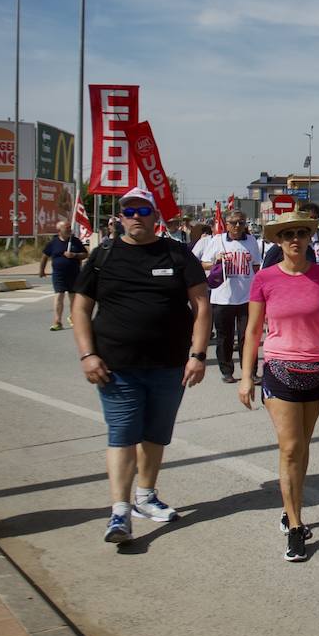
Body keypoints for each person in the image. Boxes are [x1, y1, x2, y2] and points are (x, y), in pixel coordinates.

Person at [72, 187, 211, 546]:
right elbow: (80, 308)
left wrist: (197, 355)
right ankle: (120, 511)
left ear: (155, 216)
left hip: (169, 367)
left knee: (154, 435)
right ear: (119, 216)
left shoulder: (177, 253)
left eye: (143, 210)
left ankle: (145, 497)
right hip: (116, 368)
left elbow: (201, 305)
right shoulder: (104, 255)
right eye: (128, 210)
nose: (135, 216)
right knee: (122, 435)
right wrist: (88, 355)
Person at [240, 210, 319, 562]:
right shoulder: (264, 279)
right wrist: (245, 375)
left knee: (303, 446)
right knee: (291, 447)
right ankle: (296, 527)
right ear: (278, 241)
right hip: (280, 370)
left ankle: (289, 505)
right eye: (287, 234)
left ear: (310, 237)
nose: (295, 239)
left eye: (300, 232)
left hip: (316, 370)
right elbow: (253, 331)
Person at [198, 212, 261, 382]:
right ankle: (226, 371)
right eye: (233, 223)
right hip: (222, 298)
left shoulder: (252, 241)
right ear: (226, 224)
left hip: (246, 298)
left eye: (241, 222)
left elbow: (256, 266)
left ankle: (251, 372)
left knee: (247, 336)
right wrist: (216, 262)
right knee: (224, 337)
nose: (237, 226)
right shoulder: (217, 241)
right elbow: (203, 263)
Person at [39, 219, 86, 331]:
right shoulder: (53, 243)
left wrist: (74, 255)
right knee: (59, 296)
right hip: (59, 274)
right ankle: (57, 321)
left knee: (73, 297)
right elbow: (45, 256)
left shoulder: (75, 241)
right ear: (59, 230)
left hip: (74, 273)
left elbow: (85, 254)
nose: (69, 229)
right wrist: (42, 270)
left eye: (70, 227)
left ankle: (73, 317)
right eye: (67, 228)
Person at [262, 202, 319, 273]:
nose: (295, 239)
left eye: (302, 234)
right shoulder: (276, 249)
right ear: (279, 240)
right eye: (289, 235)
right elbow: (265, 271)